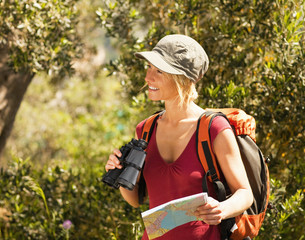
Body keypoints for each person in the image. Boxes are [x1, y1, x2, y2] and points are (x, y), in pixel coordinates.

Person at [105, 34, 253, 240]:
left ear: (182, 78)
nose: (148, 77)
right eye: (148, 67)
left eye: (159, 70)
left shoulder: (213, 128)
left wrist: (222, 209)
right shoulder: (145, 130)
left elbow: (245, 194)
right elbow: (135, 200)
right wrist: (119, 172)